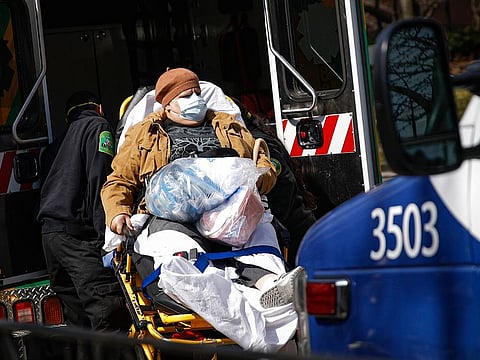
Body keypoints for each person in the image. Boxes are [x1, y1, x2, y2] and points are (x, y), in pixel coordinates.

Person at [101, 68, 304, 352]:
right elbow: (119, 181)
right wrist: (118, 213)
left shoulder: (229, 126)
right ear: (168, 103)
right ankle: (257, 306)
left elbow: (264, 165)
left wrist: (257, 177)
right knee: (178, 265)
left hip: (231, 213)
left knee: (262, 231)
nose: (195, 99)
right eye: (186, 95)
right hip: (171, 217)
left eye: (197, 93)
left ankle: (271, 284)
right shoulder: (145, 134)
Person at [37, 91, 132, 357]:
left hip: (51, 238)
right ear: (100, 108)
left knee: (78, 321)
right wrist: (109, 238)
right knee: (107, 312)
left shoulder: (54, 147)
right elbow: (100, 182)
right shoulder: (98, 127)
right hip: (77, 237)